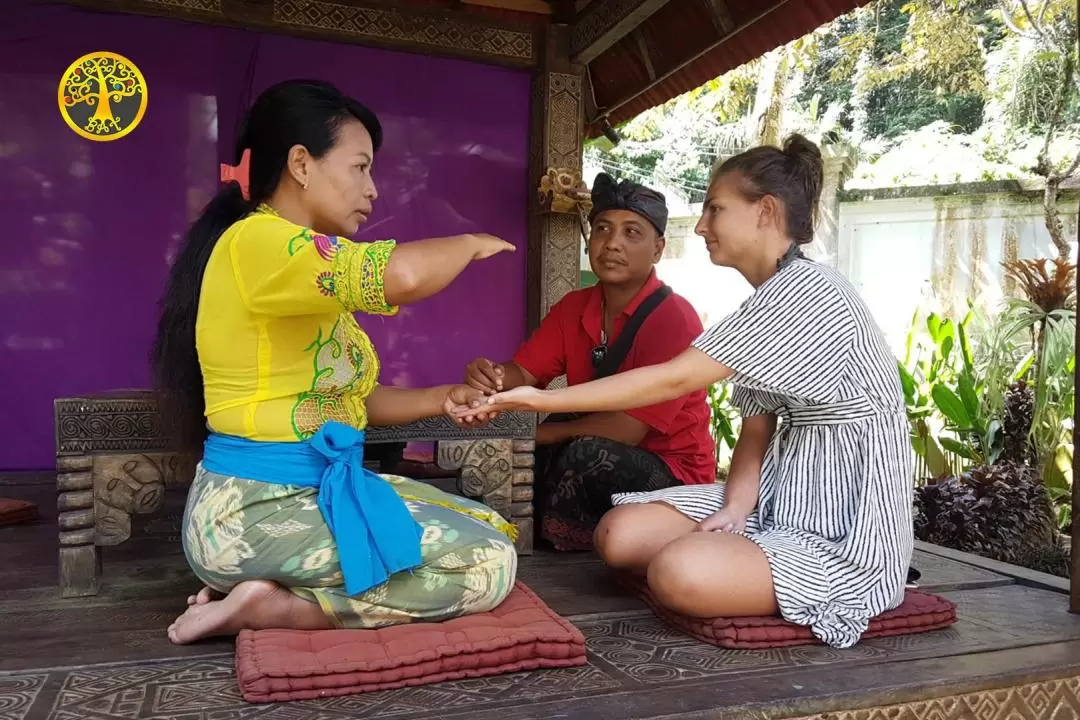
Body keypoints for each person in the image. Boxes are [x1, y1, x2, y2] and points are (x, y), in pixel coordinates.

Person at [455, 135, 914, 649]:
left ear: (765, 211)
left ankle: (753, 568)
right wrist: (737, 510)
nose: (700, 226)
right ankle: (737, 555)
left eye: (714, 209)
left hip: (841, 517)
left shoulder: (809, 290)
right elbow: (757, 426)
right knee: (617, 534)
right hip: (776, 496)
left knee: (677, 574)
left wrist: (543, 402)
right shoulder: (768, 296)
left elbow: (675, 377)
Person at [150, 79, 519, 645]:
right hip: (251, 512)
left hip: (297, 496)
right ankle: (278, 608)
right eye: (360, 167)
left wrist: (444, 398)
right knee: (487, 564)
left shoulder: (295, 266)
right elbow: (404, 275)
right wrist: (468, 241)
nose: (372, 190)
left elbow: (351, 401)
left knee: (480, 522)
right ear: (301, 164)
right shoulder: (258, 243)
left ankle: (263, 586)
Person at [463, 174, 715, 551]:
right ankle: (515, 538)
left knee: (575, 447)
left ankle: (573, 549)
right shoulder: (574, 307)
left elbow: (630, 430)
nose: (612, 243)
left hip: (673, 471)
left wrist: (538, 436)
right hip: (593, 442)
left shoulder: (674, 318)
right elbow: (525, 373)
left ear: (658, 248)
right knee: (545, 440)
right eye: (602, 229)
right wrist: (494, 377)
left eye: (632, 233)